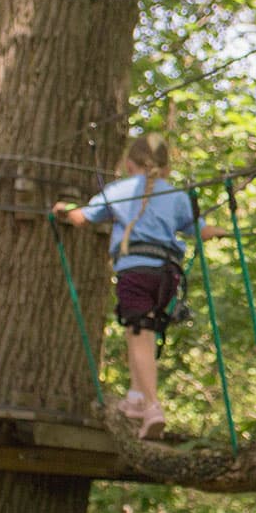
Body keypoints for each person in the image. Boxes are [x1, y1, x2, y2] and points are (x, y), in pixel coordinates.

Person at [53, 133, 224, 439]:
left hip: (136, 271)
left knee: (139, 336)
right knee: (145, 331)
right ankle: (135, 398)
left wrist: (63, 209)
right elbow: (202, 231)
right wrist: (224, 230)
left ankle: (152, 407)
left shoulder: (119, 191)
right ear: (167, 168)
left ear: (129, 164)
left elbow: (82, 218)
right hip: (168, 276)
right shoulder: (177, 196)